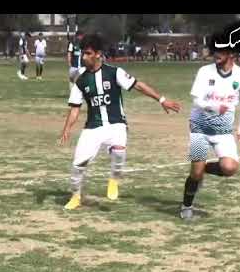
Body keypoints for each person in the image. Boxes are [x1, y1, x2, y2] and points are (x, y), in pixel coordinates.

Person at [59, 34, 181, 210]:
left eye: (87, 53)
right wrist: (67, 129)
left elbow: (138, 85)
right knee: (78, 165)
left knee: (118, 151)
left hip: (116, 124)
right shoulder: (81, 81)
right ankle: (76, 197)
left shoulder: (114, 72)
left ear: (98, 54)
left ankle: (114, 179)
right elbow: (75, 108)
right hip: (93, 127)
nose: (84, 57)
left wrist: (162, 100)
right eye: (83, 54)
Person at [180, 47, 240, 220]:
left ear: (232, 54)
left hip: (224, 132)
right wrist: (212, 106)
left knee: (230, 168)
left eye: (221, 51)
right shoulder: (205, 71)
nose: (216, 54)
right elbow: (196, 99)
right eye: (215, 51)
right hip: (199, 129)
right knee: (195, 174)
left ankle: (201, 169)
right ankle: (186, 207)